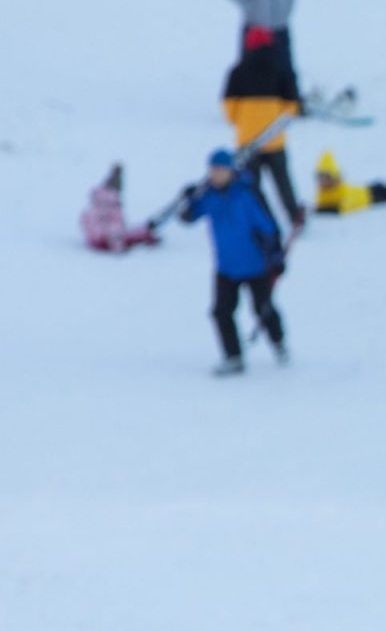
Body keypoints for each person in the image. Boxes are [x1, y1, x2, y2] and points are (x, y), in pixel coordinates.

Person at [179, 148, 287, 375]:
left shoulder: (246, 195)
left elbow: (268, 228)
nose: (216, 175)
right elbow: (188, 217)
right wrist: (187, 200)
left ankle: (278, 343)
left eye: (221, 171)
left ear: (231, 171)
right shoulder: (208, 196)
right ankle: (233, 356)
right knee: (221, 312)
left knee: (262, 309)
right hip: (226, 267)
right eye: (213, 171)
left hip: (256, 265)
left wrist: (276, 257)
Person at [223, 24, 305, 228]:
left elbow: (228, 106)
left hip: (247, 141)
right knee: (283, 182)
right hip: (274, 138)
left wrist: (241, 122)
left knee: (251, 186)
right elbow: (293, 106)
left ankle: (258, 221)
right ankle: (294, 216)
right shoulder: (282, 70)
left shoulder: (237, 71)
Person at [79, 163, 160, 253]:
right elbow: (111, 229)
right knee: (136, 234)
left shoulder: (99, 204)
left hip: (102, 238)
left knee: (138, 231)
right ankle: (148, 235)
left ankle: (147, 233)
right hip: (104, 240)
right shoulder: (109, 205)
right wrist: (118, 247)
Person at [312, 150, 386, 215]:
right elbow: (321, 204)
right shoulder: (322, 192)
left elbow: (343, 208)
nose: (322, 181)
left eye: (326, 177)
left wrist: (321, 210)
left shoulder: (341, 191)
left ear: (334, 178)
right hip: (368, 188)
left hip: (372, 195)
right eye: (320, 177)